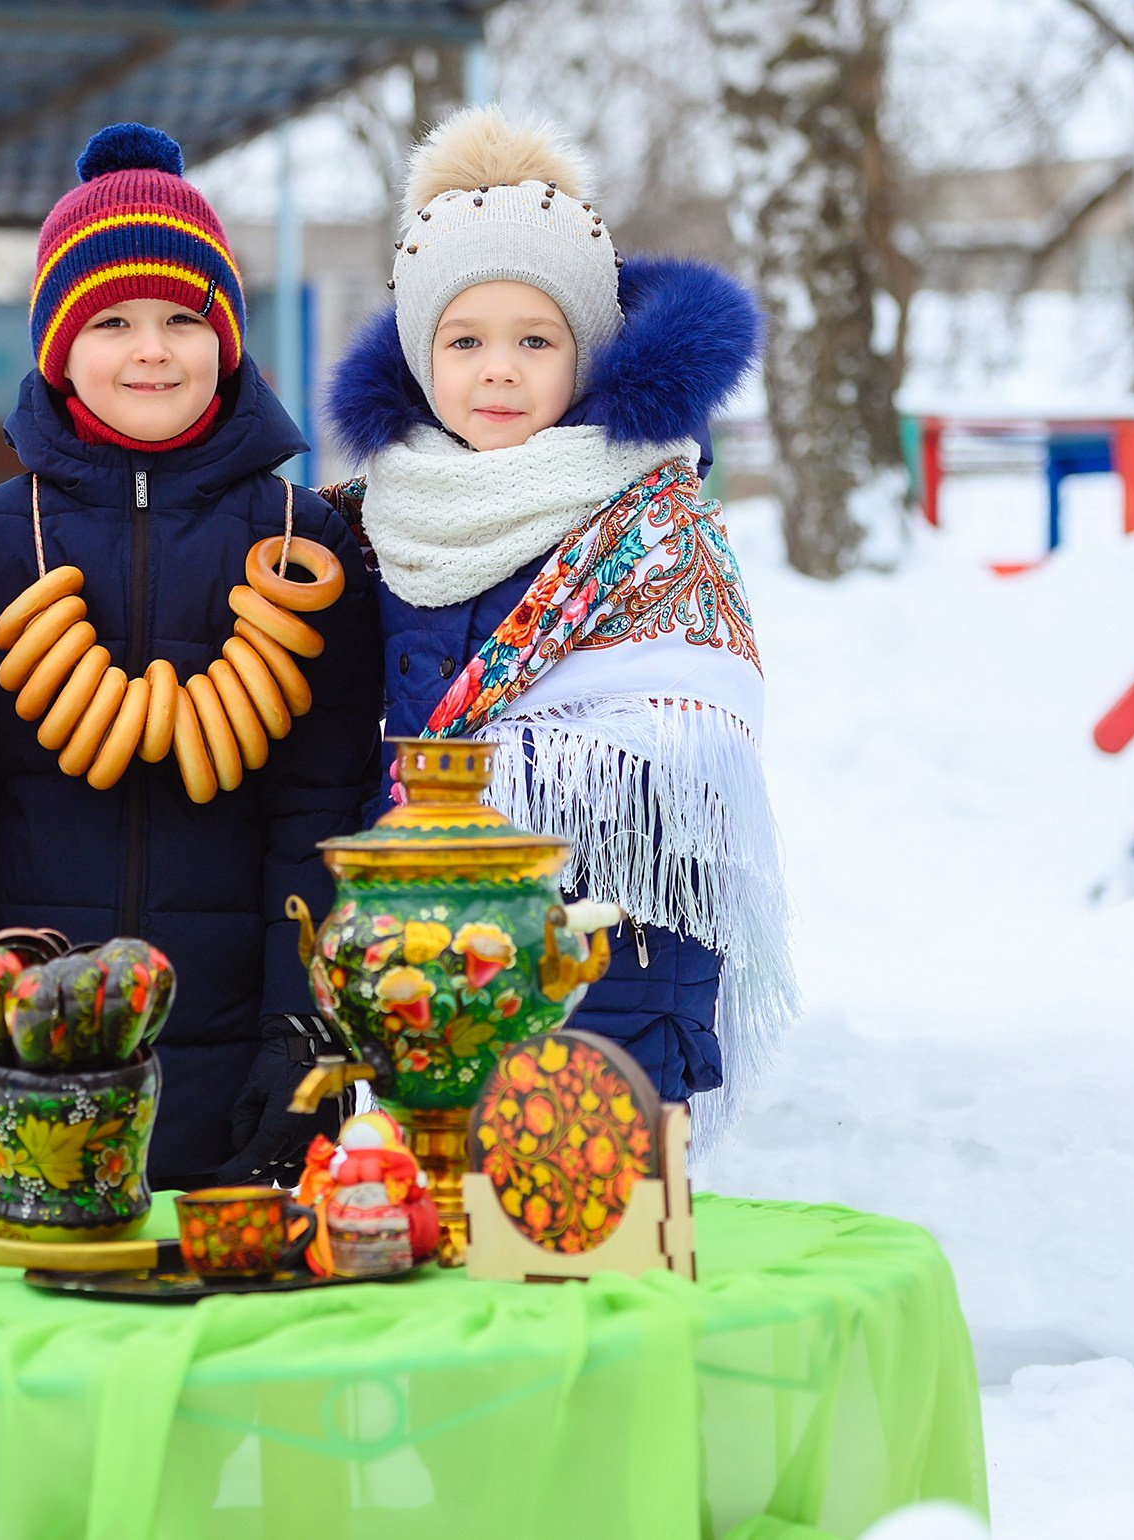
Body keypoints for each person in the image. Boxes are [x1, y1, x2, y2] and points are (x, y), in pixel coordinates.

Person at [319, 106, 792, 1154]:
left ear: (586, 351)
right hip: (428, 978)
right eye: (465, 340)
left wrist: (486, 780)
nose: (498, 369)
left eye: (535, 340)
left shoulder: (649, 520)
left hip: (615, 968)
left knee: (588, 1262)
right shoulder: (379, 521)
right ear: (417, 351)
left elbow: (689, 740)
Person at [0, 124, 382, 1191]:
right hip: (32, 1043)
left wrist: (302, 1029)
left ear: (225, 337)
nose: (152, 348)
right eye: (114, 321)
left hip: (235, 1028)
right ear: (57, 345)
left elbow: (319, 806)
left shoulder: (301, 542)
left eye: (183, 318)